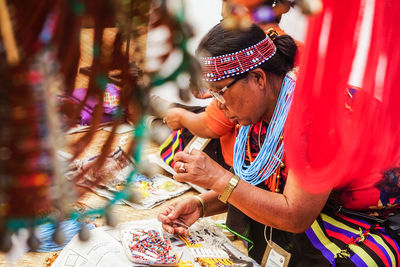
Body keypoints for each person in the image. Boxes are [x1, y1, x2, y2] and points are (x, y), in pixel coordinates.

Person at [158, 22, 400, 266]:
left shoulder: (320, 118)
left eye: (221, 91)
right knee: (249, 203)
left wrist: (218, 178)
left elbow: (296, 215)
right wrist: (200, 204)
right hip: (323, 204)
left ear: (257, 78)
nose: (218, 104)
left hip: (374, 220)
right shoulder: (266, 107)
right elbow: (260, 183)